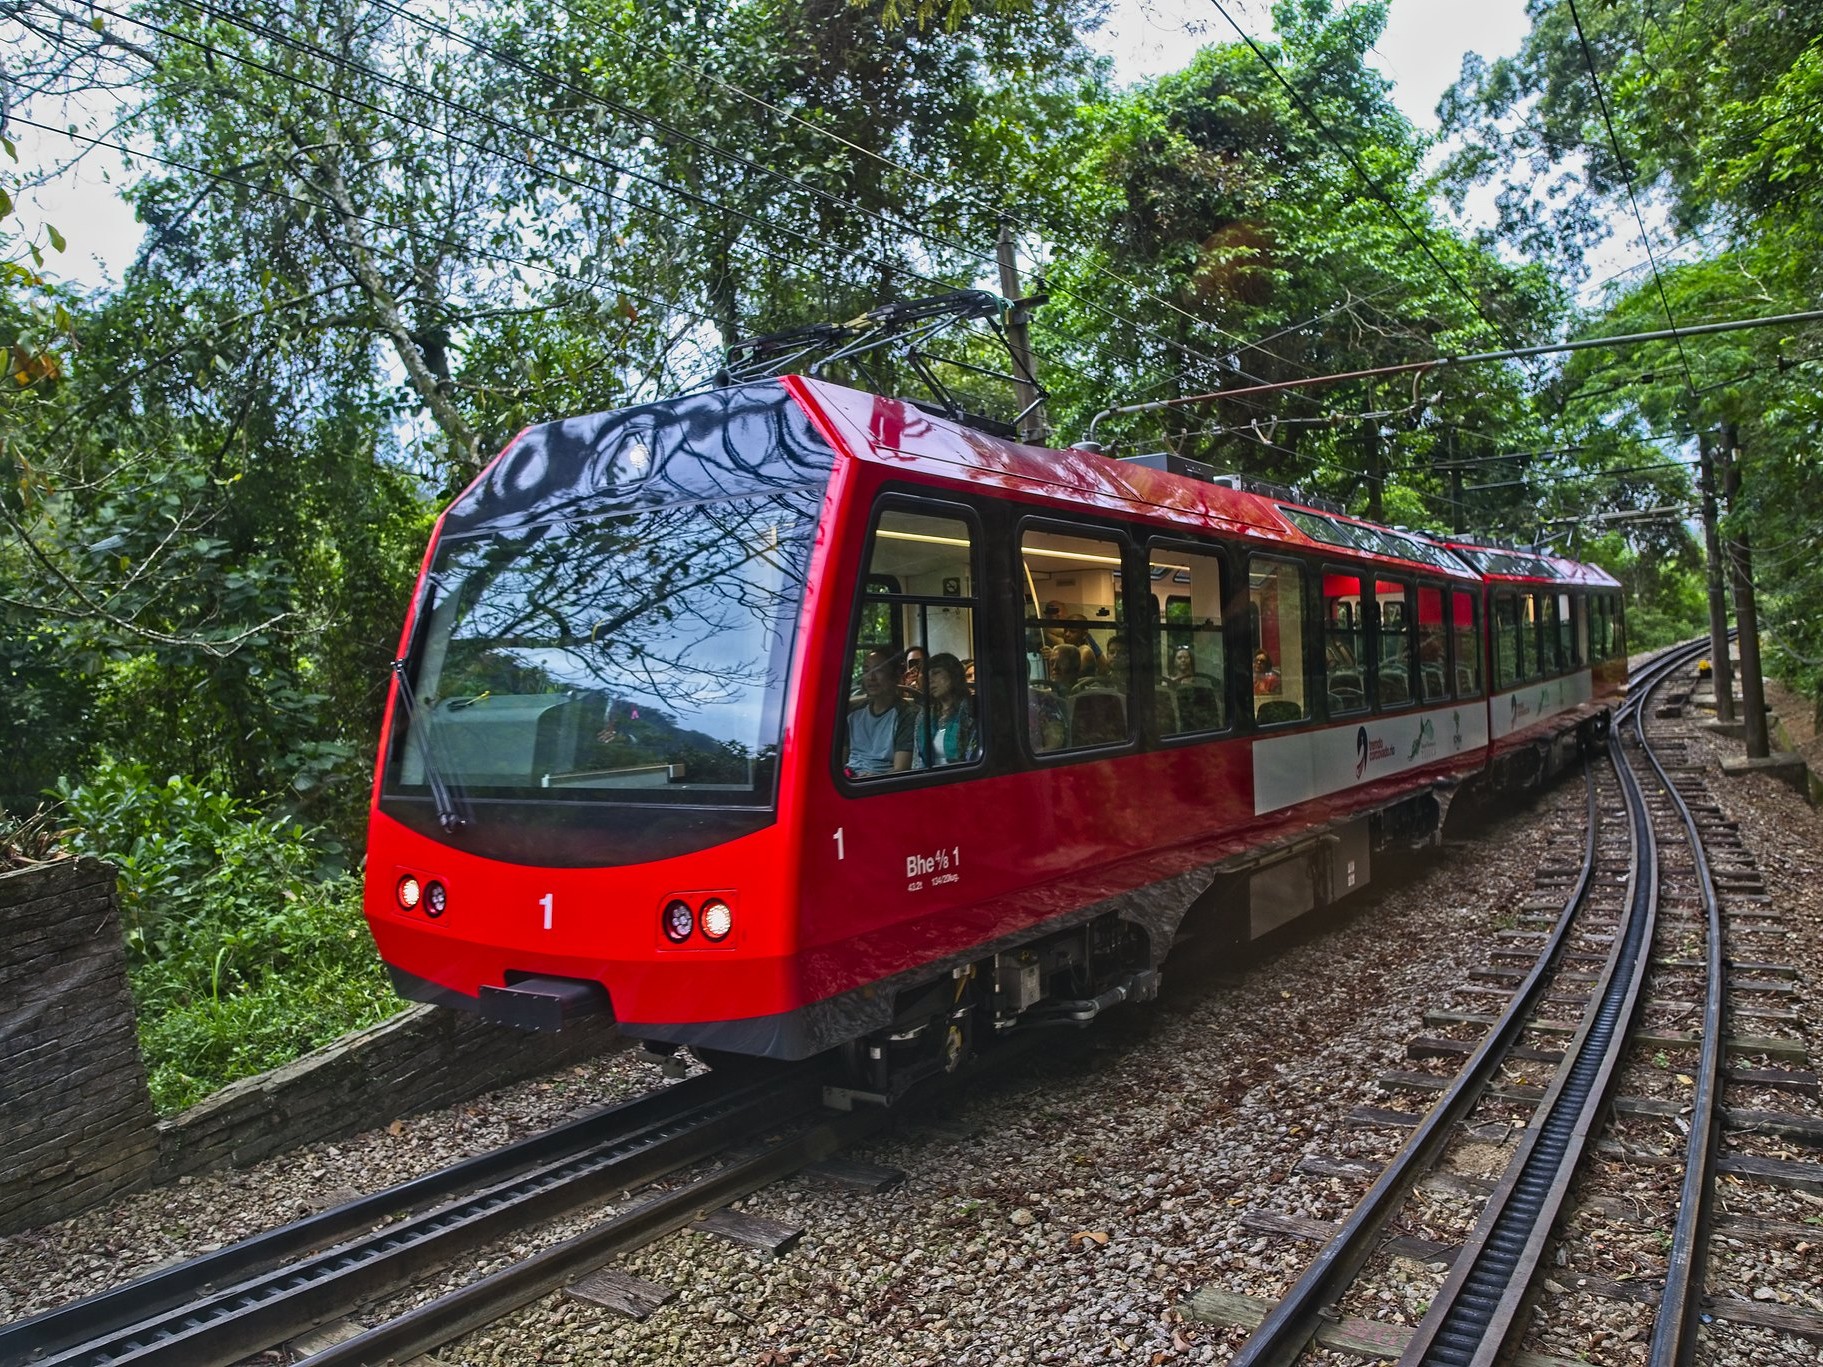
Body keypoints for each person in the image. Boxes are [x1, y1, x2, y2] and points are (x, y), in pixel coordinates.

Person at [845, 649, 914, 777]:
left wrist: (868, 780)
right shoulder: (853, 713)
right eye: (866, 671)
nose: (871, 677)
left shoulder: (906, 714)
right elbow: (839, 760)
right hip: (848, 779)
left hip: (880, 783)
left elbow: (901, 769)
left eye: (879, 670)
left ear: (894, 675)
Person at [915, 652, 977, 767]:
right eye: (927, 676)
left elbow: (973, 759)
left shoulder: (971, 710)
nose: (930, 680)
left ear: (954, 675)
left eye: (936, 673)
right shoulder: (924, 715)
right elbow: (917, 760)